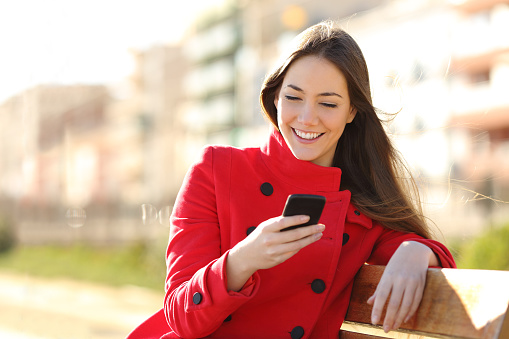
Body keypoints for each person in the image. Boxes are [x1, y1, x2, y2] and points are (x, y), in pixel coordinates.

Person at [126, 20, 455, 339]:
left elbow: (429, 255)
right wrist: (244, 260)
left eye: (327, 103)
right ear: (275, 97)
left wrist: (416, 251)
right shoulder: (215, 170)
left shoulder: (361, 206)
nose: (307, 118)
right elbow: (181, 317)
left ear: (352, 112)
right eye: (294, 97)